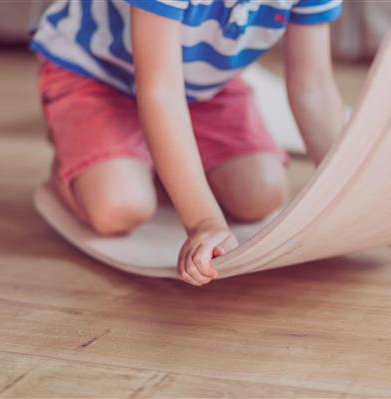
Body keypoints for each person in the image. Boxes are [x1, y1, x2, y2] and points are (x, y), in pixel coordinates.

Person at [31, 0, 346, 286]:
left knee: (261, 193)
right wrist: (204, 222)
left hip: (200, 88)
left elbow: (313, 85)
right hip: (97, 77)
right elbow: (160, 92)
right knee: (119, 207)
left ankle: (150, 161)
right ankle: (73, 163)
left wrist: (349, 193)